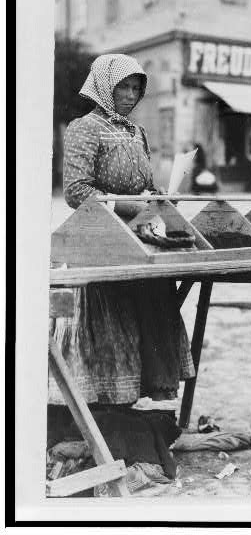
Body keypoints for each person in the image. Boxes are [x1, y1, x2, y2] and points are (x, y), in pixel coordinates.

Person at [48, 54, 195, 407]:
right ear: (103, 87)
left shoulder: (136, 132)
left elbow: (144, 183)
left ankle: (143, 402)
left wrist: (159, 195)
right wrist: (129, 205)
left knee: (150, 307)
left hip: (140, 238)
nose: (130, 95)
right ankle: (107, 411)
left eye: (135, 88)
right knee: (113, 324)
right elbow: (77, 191)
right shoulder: (84, 128)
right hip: (102, 239)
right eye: (122, 87)